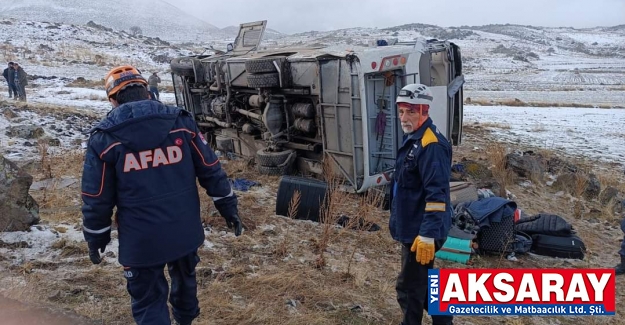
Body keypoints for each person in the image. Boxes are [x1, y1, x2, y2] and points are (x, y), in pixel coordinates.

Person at [81, 65, 242, 325]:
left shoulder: (105, 137)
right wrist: (228, 206)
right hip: (184, 229)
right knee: (186, 280)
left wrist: (96, 235)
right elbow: (211, 169)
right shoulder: (180, 122)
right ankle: (185, 320)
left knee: (148, 300)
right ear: (146, 91)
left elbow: (96, 195)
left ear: (113, 99)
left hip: (141, 239)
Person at [389, 84, 454, 325]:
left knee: (409, 288)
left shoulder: (431, 145)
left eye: (410, 112)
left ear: (424, 110)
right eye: (401, 111)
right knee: (424, 284)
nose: (404, 118)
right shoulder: (413, 139)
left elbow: (437, 196)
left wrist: (427, 235)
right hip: (413, 226)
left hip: (422, 231)